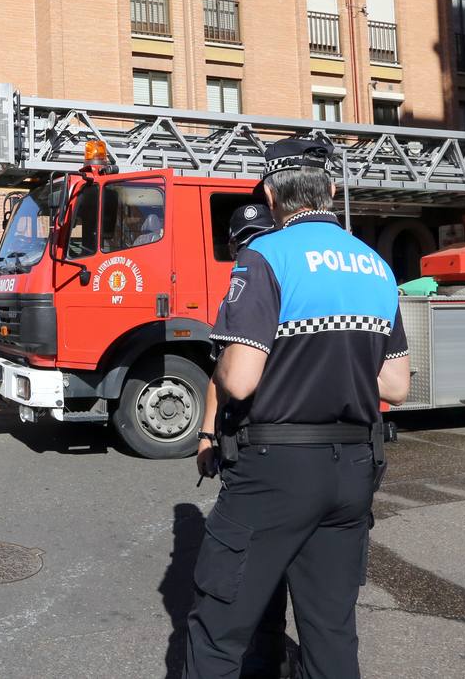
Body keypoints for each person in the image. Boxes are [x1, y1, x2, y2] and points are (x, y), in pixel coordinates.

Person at [186, 139, 411, 679]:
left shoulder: (265, 256)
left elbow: (240, 380)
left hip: (277, 468)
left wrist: (227, 359)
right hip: (354, 467)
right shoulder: (376, 265)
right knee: (330, 632)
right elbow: (396, 384)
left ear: (270, 196)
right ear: (330, 189)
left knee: (218, 632)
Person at [197, 202, 294, 679]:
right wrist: (206, 434)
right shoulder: (252, 288)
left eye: (261, 237)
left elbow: (231, 378)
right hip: (291, 451)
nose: (254, 247)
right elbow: (219, 374)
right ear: (235, 247)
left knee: (242, 569)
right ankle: (269, 653)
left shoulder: (267, 280)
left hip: (264, 450)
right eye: (248, 240)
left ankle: (264, 655)